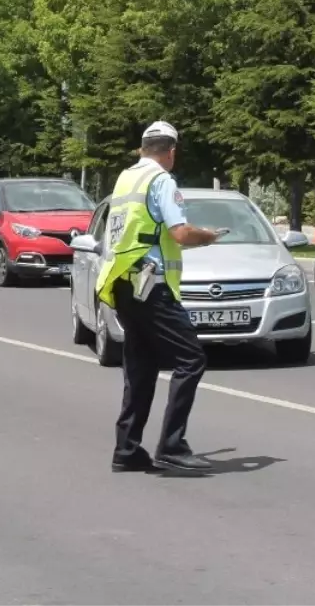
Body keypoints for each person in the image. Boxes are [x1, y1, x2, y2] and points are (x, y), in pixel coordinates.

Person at [95, 121, 224, 473]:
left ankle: (127, 449)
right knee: (191, 359)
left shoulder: (125, 179)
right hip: (151, 286)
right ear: (171, 152)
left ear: (142, 148)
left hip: (124, 284)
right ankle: (172, 445)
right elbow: (180, 233)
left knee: (141, 367)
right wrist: (209, 236)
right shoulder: (161, 181)